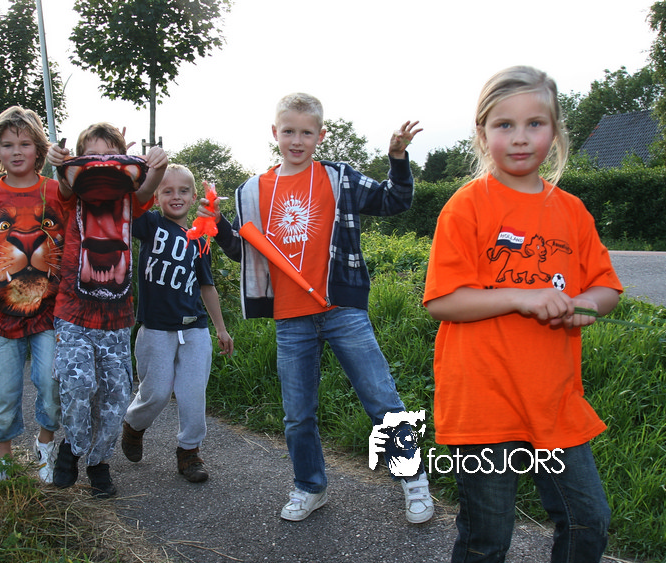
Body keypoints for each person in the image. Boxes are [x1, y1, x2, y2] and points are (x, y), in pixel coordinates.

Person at [422, 66, 621, 563]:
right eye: (504, 125)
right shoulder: (467, 205)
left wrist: (582, 305)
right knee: (488, 536)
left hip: (555, 402)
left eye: (535, 123)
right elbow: (443, 300)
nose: (520, 137)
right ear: (482, 133)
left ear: (555, 131)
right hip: (484, 403)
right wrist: (521, 297)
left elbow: (606, 289)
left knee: (588, 521)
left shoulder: (572, 211)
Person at [200, 92, 434, 523]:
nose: (297, 140)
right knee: (297, 415)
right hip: (290, 318)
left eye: (306, 133)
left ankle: (413, 478)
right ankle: (310, 486)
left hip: (342, 308)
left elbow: (394, 200)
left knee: (382, 399)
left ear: (320, 136)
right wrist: (217, 225)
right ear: (275, 132)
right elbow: (245, 253)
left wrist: (398, 158)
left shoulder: (339, 177)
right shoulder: (251, 190)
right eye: (289, 131)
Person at [45, 122, 167, 498]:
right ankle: (72, 447)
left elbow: (147, 186)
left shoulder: (129, 198)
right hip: (73, 315)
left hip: (116, 321)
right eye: (92, 155)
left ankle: (98, 463)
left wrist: (158, 164)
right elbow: (65, 185)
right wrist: (57, 162)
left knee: (115, 398)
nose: (101, 162)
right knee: (79, 386)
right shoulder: (71, 197)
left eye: (110, 156)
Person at [0, 105, 68, 482]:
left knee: (52, 383)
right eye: (8, 145)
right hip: (2, 314)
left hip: (51, 311)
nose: (17, 151)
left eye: (25, 143)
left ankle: (45, 445)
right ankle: (3, 457)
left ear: (39, 148)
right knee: (3, 390)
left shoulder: (56, 191)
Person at [120, 164, 234, 483]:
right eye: (167, 191)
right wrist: (141, 174)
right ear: (156, 197)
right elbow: (130, 204)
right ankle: (134, 426)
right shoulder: (150, 224)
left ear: (194, 197)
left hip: (195, 328)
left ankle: (189, 452)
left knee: (192, 393)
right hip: (156, 328)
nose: (176, 196)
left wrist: (221, 329)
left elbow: (207, 286)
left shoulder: (198, 238)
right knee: (155, 393)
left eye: (184, 191)